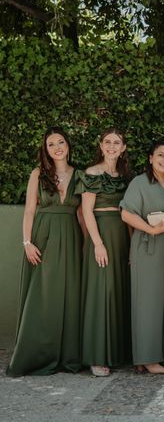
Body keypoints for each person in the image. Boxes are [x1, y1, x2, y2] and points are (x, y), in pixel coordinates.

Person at [7, 127, 83, 376]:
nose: (57, 147)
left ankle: (67, 355)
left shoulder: (79, 175)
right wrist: (27, 242)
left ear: (68, 145)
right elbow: (29, 210)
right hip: (43, 236)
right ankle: (36, 354)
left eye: (61, 142)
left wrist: (87, 244)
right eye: (51, 144)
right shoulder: (38, 174)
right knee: (43, 293)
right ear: (46, 150)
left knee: (69, 293)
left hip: (71, 236)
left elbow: (82, 214)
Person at [120, 140, 164, 374]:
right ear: (150, 158)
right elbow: (126, 214)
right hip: (149, 248)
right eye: (160, 155)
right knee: (148, 303)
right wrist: (150, 229)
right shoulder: (140, 182)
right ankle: (147, 357)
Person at [77, 128, 131, 377]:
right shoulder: (92, 173)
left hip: (120, 235)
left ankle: (115, 352)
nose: (111, 146)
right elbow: (86, 211)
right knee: (102, 292)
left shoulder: (124, 175)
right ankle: (97, 355)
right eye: (107, 142)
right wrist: (97, 243)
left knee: (118, 291)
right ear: (101, 146)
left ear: (123, 148)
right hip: (101, 236)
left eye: (116, 142)